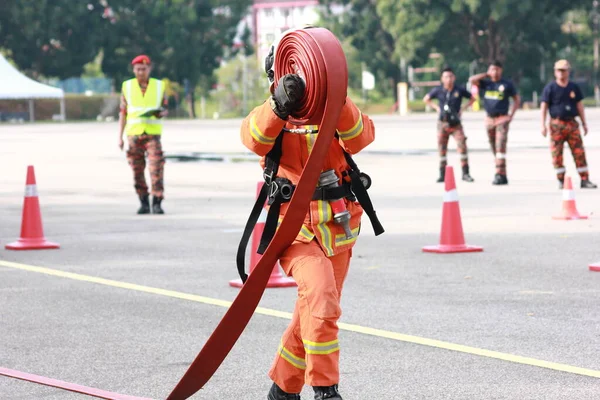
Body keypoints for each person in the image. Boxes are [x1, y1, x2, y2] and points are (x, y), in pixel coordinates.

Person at [240, 29, 380, 400]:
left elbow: (360, 137)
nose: (299, 84)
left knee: (313, 312)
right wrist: (279, 104)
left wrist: (334, 96)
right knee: (321, 299)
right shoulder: (272, 116)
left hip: (339, 227)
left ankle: (282, 389)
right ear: (275, 76)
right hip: (294, 231)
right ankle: (325, 390)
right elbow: (253, 137)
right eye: (287, 77)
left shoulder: (333, 110)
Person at [118, 55, 168, 214]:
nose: (141, 72)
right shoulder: (127, 86)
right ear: (133, 70)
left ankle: (157, 201)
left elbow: (164, 107)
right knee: (137, 169)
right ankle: (143, 201)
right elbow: (123, 112)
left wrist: (162, 113)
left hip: (153, 135)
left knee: (156, 168)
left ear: (149, 69)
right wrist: (119, 137)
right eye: (138, 69)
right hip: (133, 135)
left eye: (144, 69)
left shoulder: (160, 86)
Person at [540, 59, 597, 189]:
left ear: (568, 72)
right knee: (556, 154)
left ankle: (584, 179)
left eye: (564, 71)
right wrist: (542, 125)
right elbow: (544, 106)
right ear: (555, 72)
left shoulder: (573, 87)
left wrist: (584, 123)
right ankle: (561, 179)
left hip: (571, 124)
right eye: (559, 70)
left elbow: (580, 106)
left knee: (579, 153)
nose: (561, 73)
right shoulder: (550, 88)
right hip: (556, 124)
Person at [469, 61, 521, 185]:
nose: (494, 72)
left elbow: (517, 99)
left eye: (497, 69)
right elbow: (471, 80)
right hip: (489, 119)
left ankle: (499, 174)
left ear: (501, 70)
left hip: (502, 119)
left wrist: (511, 115)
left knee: (500, 145)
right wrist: (485, 75)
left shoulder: (506, 84)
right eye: (492, 69)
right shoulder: (486, 84)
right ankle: (502, 171)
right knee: (494, 146)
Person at [424, 67, 476, 183]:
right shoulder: (438, 90)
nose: (449, 79)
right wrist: (437, 108)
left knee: (462, 146)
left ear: (454, 77)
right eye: (446, 77)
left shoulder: (459, 90)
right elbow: (426, 99)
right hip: (443, 123)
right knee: (442, 149)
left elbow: (473, 98)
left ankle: (465, 173)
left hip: (456, 124)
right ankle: (442, 174)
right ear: (442, 79)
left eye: (451, 76)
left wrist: (463, 108)